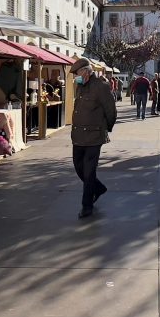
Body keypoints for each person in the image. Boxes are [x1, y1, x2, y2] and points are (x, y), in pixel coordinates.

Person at [69, 58, 117, 218]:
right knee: (78, 167)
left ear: (86, 72)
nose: (76, 77)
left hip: (94, 135)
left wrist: (105, 128)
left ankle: (87, 205)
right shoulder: (80, 87)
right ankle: (98, 188)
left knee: (89, 172)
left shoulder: (101, 87)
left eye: (77, 73)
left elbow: (111, 110)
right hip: (78, 135)